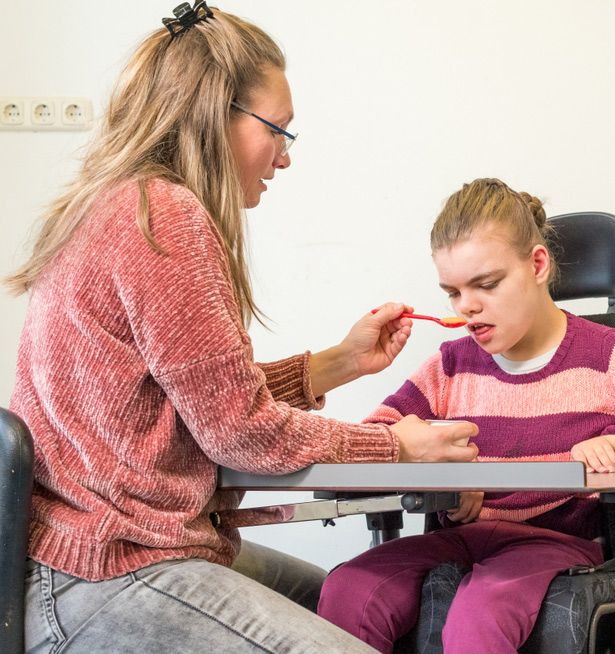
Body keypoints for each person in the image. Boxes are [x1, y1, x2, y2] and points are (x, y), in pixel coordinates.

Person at [4, 4, 477, 653]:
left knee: (366, 610)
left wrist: (335, 364)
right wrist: (400, 449)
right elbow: (239, 432)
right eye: (276, 129)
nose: (283, 156)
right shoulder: (162, 218)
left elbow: (180, 400)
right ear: (212, 113)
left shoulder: (122, 203)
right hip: (104, 570)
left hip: (81, 561)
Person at [316, 178, 615, 653]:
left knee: (480, 616)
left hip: (555, 542)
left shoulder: (608, 355)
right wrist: (442, 475)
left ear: (537, 264)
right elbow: (376, 441)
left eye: (486, 284)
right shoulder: (451, 364)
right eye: (452, 292)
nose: (467, 306)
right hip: (463, 537)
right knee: (349, 589)